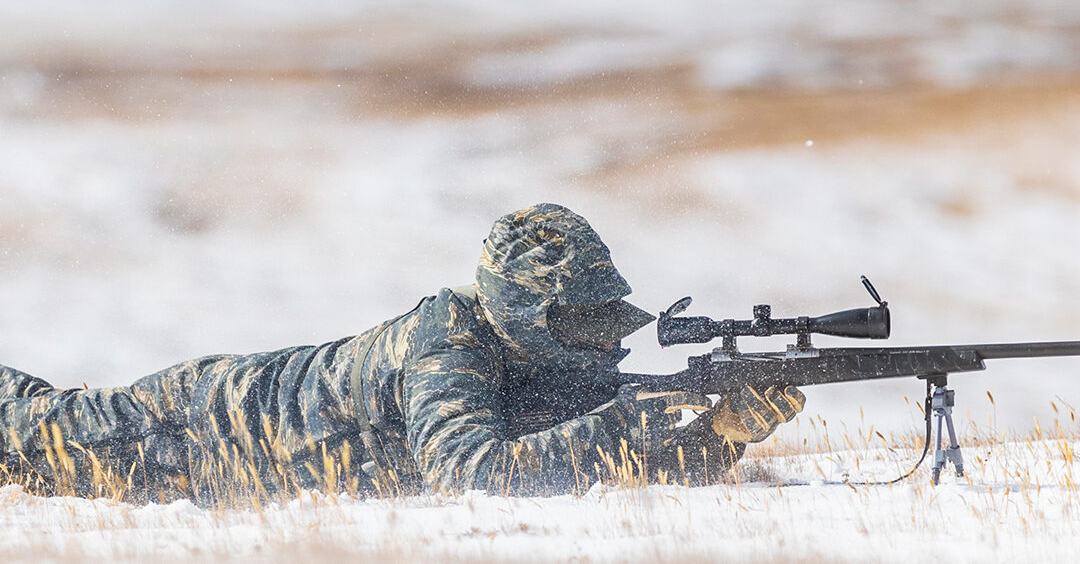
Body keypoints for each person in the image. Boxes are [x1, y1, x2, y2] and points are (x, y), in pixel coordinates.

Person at [0, 203, 804, 503]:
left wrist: (717, 436)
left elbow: (593, 469)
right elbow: (471, 477)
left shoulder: (535, 358)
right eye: (577, 320)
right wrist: (626, 423)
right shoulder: (448, 344)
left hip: (222, 437)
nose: (598, 341)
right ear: (524, 309)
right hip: (198, 425)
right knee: (27, 434)